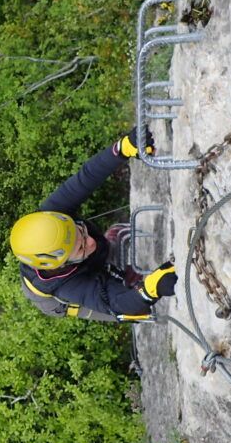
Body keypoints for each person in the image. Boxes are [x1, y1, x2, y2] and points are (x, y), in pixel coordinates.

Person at [10, 128, 177, 322]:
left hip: (77, 262)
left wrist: (121, 149)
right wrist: (150, 290)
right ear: (62, 263)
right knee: (135, 314)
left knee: (109, 239)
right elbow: (119, 306)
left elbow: (85, 178)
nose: (90, 242)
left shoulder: (52, 219)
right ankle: (127, 281)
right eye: (80, 246)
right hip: (62, 302)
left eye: (80, 231)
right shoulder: (67, 286)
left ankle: (117, 267)